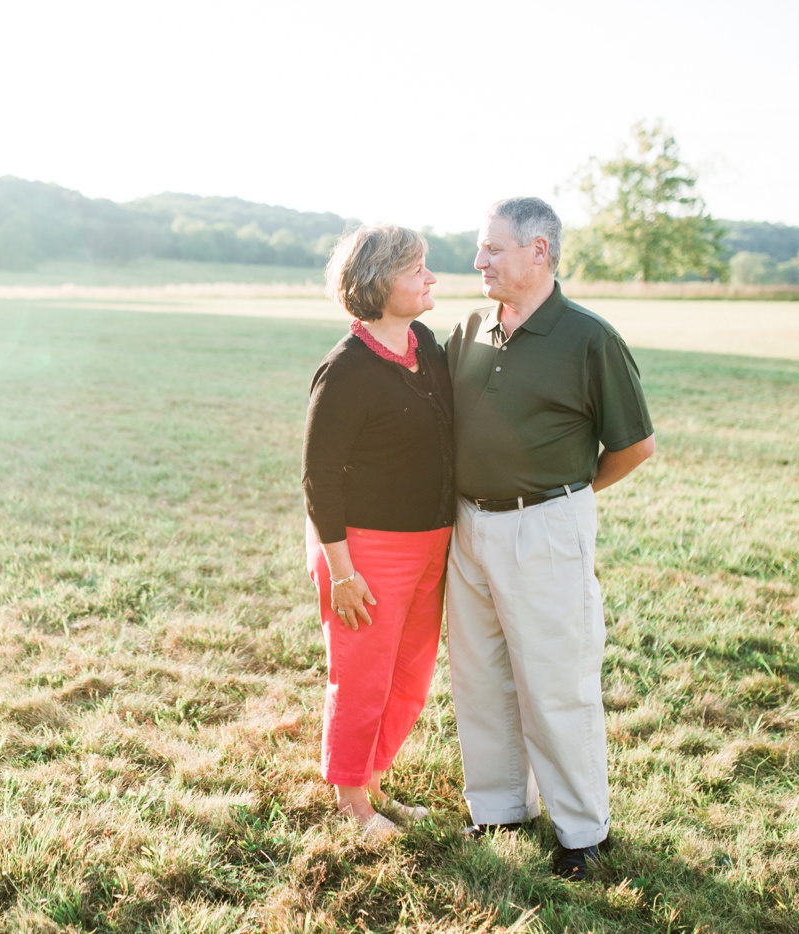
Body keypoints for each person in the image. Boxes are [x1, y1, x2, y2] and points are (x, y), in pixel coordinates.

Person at [445, 197, 655, 880]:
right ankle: (500, 807)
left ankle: (581, 831)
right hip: (468, 525)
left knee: (555, 681)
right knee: (480, 674)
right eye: (479, 249)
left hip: (545, 525)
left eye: (493, 249)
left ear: (539, 251)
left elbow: (634, 447)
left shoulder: (590, 338)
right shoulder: (471, 325)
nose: (479, 262)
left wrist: (563, 497)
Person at [302, 225, 455, 838]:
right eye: (416, 268)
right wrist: (342, 572)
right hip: (365, 552)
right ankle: (350, 802)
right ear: (376, 281)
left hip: (433, 544)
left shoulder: (426, 344)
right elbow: (318, 478)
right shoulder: (345, 370)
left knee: (409, 679)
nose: (431, 278)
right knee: (363, 677)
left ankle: (372, 779)